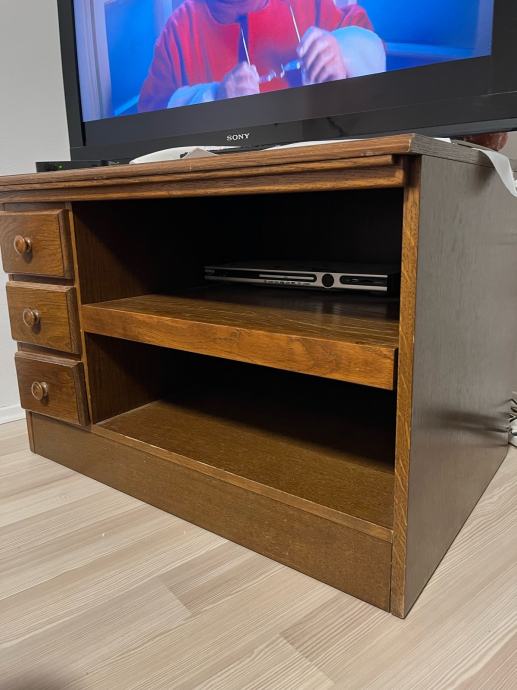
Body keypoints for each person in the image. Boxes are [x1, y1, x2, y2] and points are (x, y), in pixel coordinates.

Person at [138, 0, 385, 112]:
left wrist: (343, 55)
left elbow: (369, 43)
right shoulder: (178, 29)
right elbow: (151, 120)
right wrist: (212, 98)